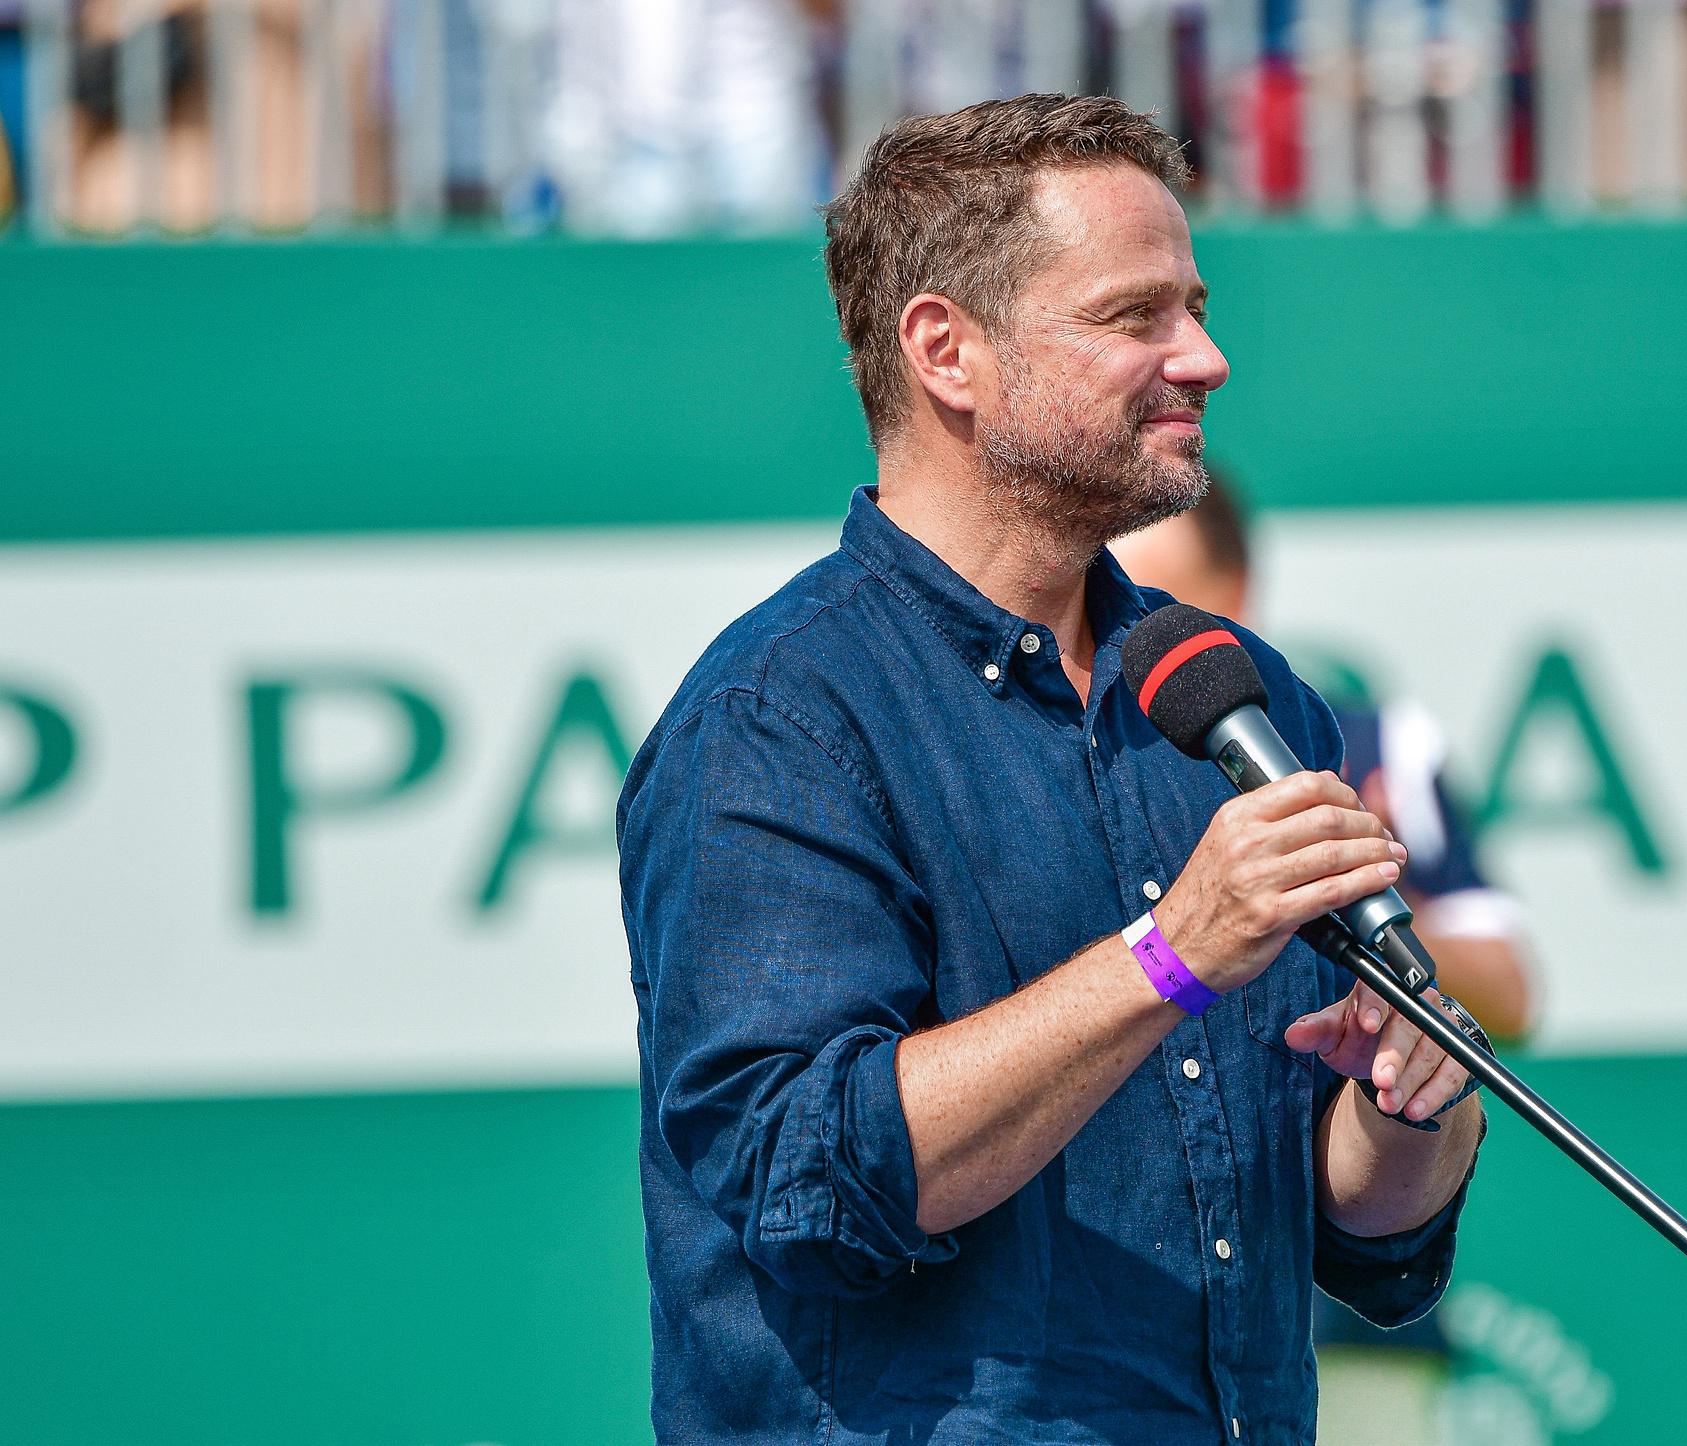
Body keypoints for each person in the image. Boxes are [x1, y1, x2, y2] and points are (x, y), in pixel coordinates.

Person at [618, 94, 1486, 1444]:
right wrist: (1169, 955)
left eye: (1193, 305)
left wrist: (1407, 1100)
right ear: (945, 351)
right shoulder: (778, 716)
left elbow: (1349, 1228)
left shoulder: (1239, 698)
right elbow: (808, 1178)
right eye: (1135, 315)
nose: (1202, 355)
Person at [1111, 477, 1535, 1041]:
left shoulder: (1369, 745)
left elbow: (1508, 997)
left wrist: (1357, 882)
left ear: (1236, 593)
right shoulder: (1058, 759)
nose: (1126, 649)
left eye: (1154, 610)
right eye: (1106, 615)